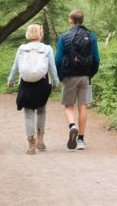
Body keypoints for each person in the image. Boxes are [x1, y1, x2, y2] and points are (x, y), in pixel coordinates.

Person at [7, 23, 60, 154]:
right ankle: (40, 140)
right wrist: (56, 83)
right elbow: (52, 67)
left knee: (28, 113)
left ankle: (31, 145)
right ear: (40, 34)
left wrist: (10, 79)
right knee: (41, 110)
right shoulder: (47, 48)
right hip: (43, 83)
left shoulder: (22, 48)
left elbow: (15, 66)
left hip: (25, 83)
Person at [55, 9, 100, 150]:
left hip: (69, 75)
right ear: (82, 20)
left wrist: (60, 75)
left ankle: (72, 126)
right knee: (83, 106)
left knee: (68, 105)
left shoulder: (64, 37)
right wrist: (90, 74)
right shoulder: (91, 36)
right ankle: (80, 140)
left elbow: (58, 59)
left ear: (70, 21)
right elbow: (96, 59)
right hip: (85, 76)